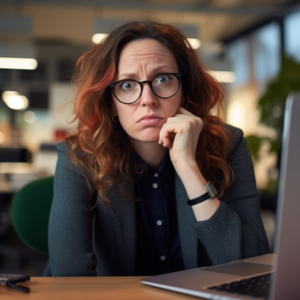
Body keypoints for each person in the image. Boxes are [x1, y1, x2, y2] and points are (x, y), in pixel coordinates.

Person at [48, 20, 270, 277]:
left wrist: (188, 167)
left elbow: (255, 269)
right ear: (110, 104)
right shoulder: (78, 157)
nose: (148, 99)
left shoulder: (227, 144)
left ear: (183, 91)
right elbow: (69, 274)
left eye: (163, 79)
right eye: (127, 85)